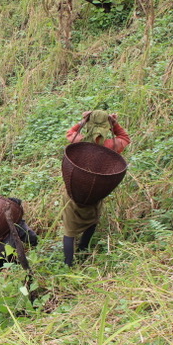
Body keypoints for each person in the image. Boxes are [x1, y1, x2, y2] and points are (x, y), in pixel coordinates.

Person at [62, 110, 130, 266]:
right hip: (95, 193)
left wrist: (83, 121)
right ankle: (83, 250)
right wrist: (114, 124)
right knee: (92, 221)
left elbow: (70, 132)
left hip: (74, 192)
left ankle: (68, 264)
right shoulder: (111, 145)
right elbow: (125, 138)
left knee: (69, 229)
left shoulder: (79, 141)